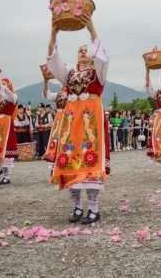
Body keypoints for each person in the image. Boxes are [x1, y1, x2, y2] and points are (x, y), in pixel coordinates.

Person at [46, 13, 111, 223]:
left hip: (90, 121)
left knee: (89, 161)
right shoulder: (70, 75)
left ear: (92, 55)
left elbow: (103, 57)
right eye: (80, 50)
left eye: (87, 50)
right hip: (71, 122)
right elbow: (54, 64)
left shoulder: (98, 73)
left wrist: (92, 29)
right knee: (68, 160)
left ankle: (93, 208)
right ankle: (76, 207)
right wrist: (54, 34)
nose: (83, 53)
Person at [42, 81, 68, 168]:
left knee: (67, 140)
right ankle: (55, 165)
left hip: (69, 119)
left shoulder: (73, 95)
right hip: (59, 120)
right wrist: (45, 82)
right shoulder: (58, 95)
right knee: (56, 141)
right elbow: (47, 95)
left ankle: (67, 163)